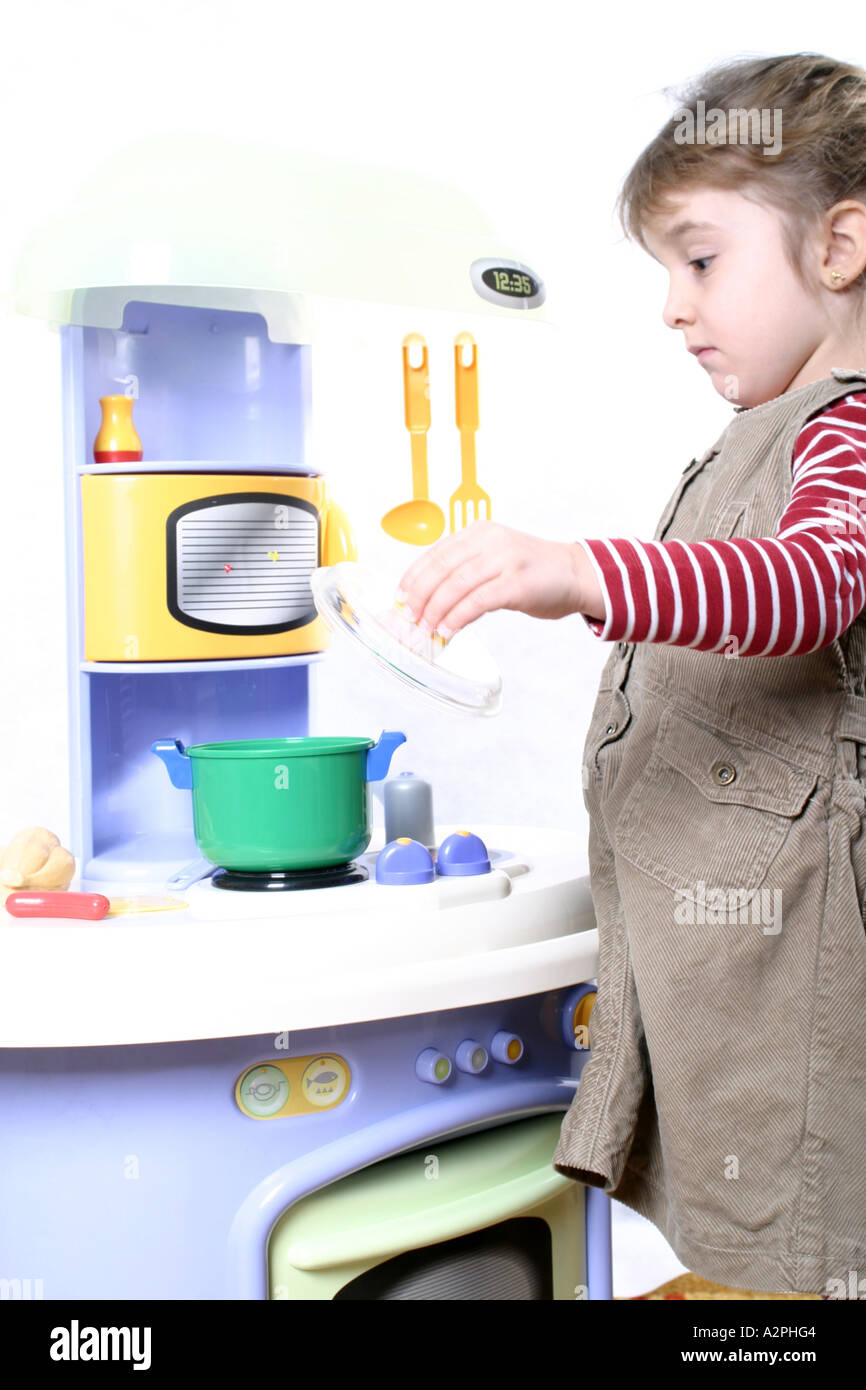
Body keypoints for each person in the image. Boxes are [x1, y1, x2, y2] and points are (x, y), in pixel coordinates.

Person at [396, 52, 866, 1296]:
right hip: (718, 954)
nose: (671, 305)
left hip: (803, 960)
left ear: (839, 244)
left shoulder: (854, 425)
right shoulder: (763, 426)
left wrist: (577, 570)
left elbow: (807, 583)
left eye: (700, 260)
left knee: (803, 1242)